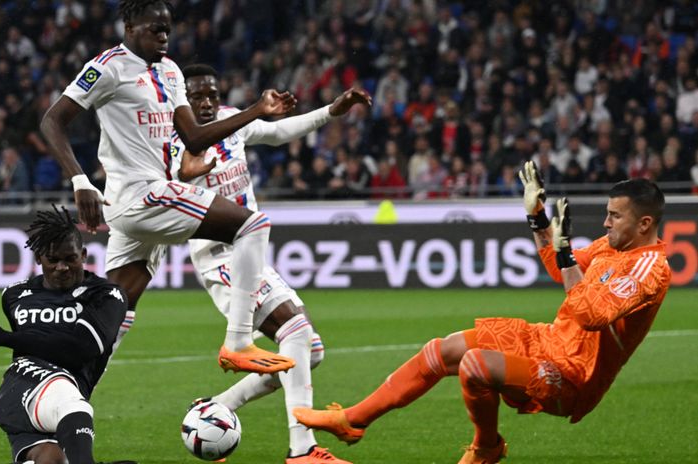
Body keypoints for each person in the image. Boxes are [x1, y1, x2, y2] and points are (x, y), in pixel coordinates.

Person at [293, 162, 671, 464]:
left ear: (644, 224)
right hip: (550, 340)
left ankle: (486, 448)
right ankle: (353, 420)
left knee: (477, 366)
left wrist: (569, 254)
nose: (606, 223)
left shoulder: (650, 269)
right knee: (445, 349)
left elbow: (590, 314)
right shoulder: (613, 246)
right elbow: (558, 268)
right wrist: (537, 218)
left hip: (573, 375)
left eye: (614, 216)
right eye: (607, 214)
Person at [39, 0, 298, 375]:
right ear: (130, 29)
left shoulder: (172, 72)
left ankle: (60, 385)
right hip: (140, 196)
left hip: (148, 200)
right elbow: (52, 120)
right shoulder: (107, 67)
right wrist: (80, 180)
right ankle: (239, 340)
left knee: (116, 306)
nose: (163, 36)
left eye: (166, 29)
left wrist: (255, 111)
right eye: (153, 29)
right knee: (252, 225)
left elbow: (193, 137)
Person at [171, 63, 370, 464]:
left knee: (309, 351)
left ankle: (216, 406)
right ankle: (303, 450)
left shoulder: (230, 121)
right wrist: (180, 173)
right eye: (198, 96)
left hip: (250, 252)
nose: (208, 102)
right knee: (294, 330)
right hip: (218, 256)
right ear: (183, 100)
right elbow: (159, 187)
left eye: (212, 93)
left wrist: (332, 109)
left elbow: (280, 132)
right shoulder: (171, 139)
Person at [0, 206, 134, 464]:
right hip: (20, 389)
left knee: (52, 459)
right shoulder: (15, 295)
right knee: (72, 403)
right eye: (53, 260)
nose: (61, 267)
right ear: (39, 258)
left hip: (60, 400)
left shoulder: (106, 296)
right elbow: (40, 350)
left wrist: (5, 338)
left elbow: (79, 349)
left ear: (83, 255)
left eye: (70, 258)